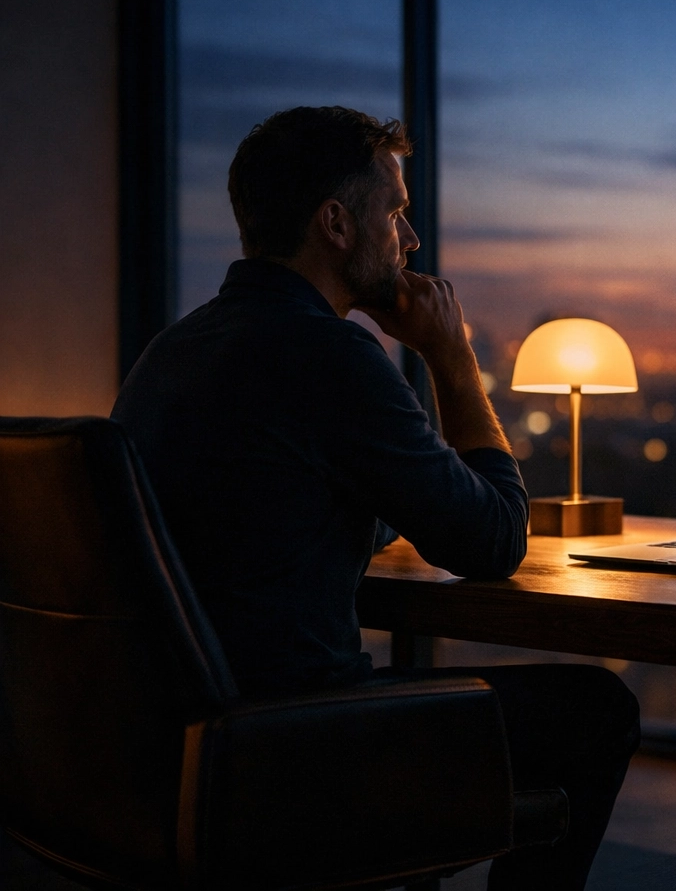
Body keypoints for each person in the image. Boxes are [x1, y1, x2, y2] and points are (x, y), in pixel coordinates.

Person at [113, 105, 638, 890]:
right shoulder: (326, 354)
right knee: (595, 710)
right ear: (335, 224)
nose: (411, 239)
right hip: (293, 745)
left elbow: (278, 507)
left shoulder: (175, 348)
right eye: (394, 214)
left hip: (168, 747)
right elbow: (495, 541)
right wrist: (451, 357)